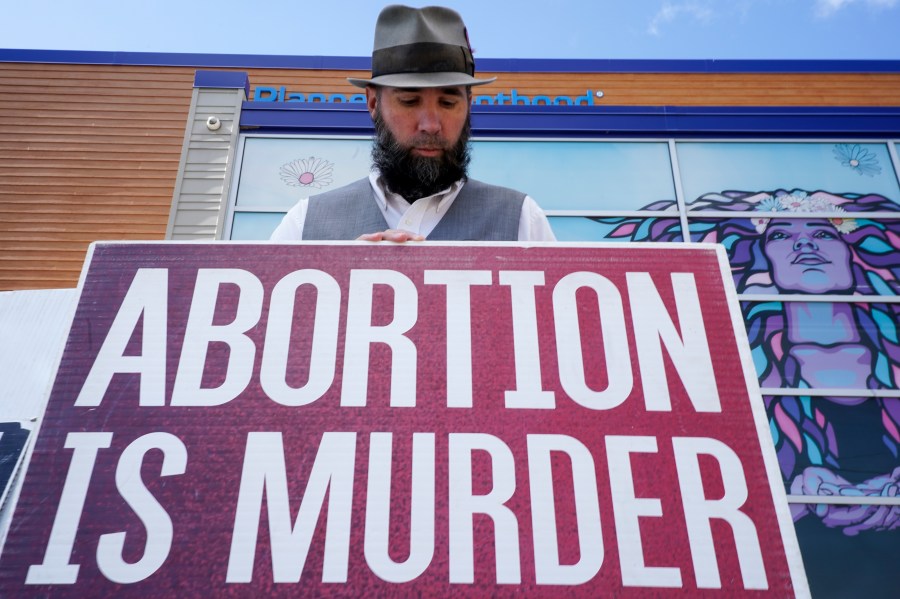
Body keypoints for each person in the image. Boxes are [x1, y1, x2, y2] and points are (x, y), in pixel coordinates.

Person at [269, 5, 555, 242]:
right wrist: (341, 275)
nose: (431, 125)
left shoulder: (522, 221)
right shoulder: (305, 224)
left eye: (448, 103)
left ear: (469, 103)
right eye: (409, 101)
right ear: (372, 103)